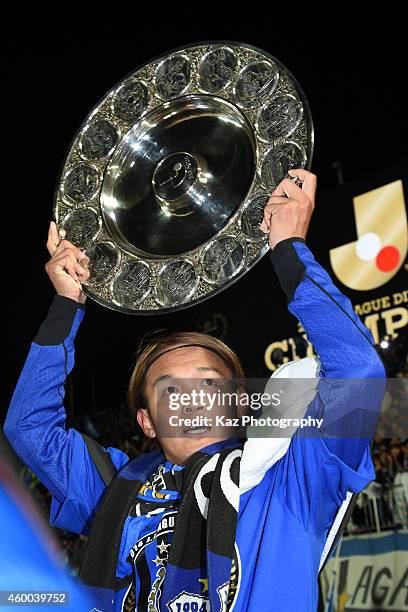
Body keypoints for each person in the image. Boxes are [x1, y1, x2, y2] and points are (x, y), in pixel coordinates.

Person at [3, 169, 386, 611]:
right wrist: (66, 303)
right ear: (145, 422)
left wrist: (288, 249)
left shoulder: (289, 479)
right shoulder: (114, 490)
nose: (192, 399)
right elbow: (29, 429)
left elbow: (357, 373)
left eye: (209, 383)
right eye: (169, 391)